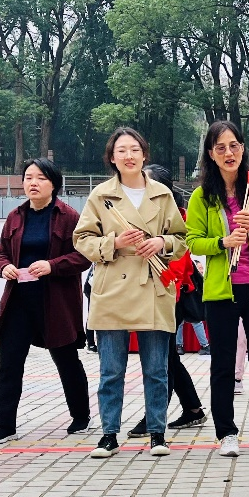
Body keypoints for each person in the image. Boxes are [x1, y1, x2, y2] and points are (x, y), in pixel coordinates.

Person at [74, 127, 187, 459]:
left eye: (135, 149)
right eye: (121, 150)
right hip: (113, 287)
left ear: (144, 154)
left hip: (153, 285)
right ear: (112, 157)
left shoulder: (162, 194)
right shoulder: (101, 196)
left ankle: (157, 433)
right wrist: (114, 243)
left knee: (156, 369)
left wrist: (161, 242)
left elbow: (182, 239)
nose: (128, 155)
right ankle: (109, 434)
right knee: (111, 370)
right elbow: (81, 239)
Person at [186, 120, 249, 456]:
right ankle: (226, 432)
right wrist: (223, 241)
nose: (229, 153)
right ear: (211, 154)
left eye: (234, 146)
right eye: (221, 147)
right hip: (220, 291)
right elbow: (192, 241)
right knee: (223, 365)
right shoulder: (202, 196)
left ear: (243, 149)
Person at [0, 158, 91, 444]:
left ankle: (81, 415)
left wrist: (52, 265)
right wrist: (5, 266)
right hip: (18, 300)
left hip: (55, 302)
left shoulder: (68, 216)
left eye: (41, 178)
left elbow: (83, 256)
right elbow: (0, 253)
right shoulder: (15, 216)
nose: (33, 183)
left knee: (66, 359)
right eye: (29, 177)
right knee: (9, 363)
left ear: (54, 184)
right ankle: (5, 424)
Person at [126, 163, 207, 437]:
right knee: (168, 357)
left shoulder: (179, 219)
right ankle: (193, 409)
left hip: (170, 298)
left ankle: (154, 417)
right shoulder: (141, 217)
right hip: (150, 296)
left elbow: (179, 265)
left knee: (161, 359)